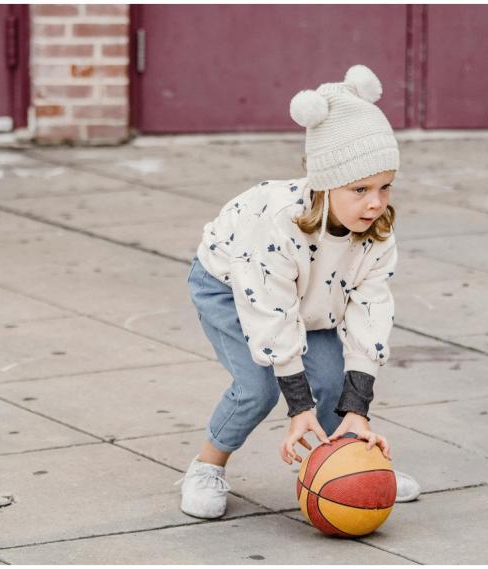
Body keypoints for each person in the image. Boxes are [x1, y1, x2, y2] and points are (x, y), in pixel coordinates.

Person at [176, 65, 421, 519]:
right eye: (361, 188)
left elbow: (371, 310)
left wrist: (359, 408)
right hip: (232, 287)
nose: (376, 202)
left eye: (386, 186)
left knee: (330, 380)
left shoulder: (376, 231)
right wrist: (298, 407)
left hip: (316, 296)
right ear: (326, 183)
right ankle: (207, 466)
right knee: (257, 388)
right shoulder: (279, 224)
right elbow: (269, 310)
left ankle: (347, 464)